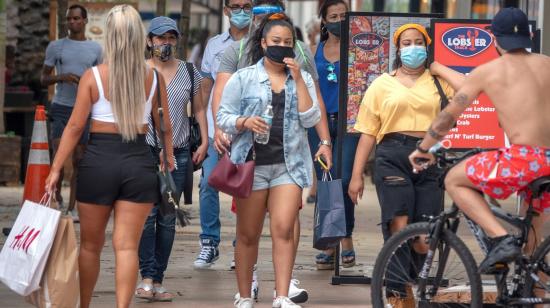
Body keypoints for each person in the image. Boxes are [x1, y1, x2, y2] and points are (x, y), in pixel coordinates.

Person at [44, 5, 174, 308]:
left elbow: (75, 128)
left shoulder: (93, 77)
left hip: (99, 162)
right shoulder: (153, 77)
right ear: (139, 36)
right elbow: (165, 127)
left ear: (111, 38)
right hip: (139, 162)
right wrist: (167, 159)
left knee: (90, 246)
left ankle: (85, 305)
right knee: (127, 247)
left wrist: (55, 170)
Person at [410, 7, 550, 274]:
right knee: (533, 243)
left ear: (495, 39)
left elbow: (448, 117)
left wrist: (423, 148)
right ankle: (535, 296)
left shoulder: (489, 71)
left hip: (524, 160)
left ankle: (500, 238)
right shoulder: (548, 63)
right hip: (549, 161)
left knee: (453, 179)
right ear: (529, 35)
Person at [212, 2, 330, 303]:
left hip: (288, 165)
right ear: (263, 42)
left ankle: (281, 296)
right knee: (248, 234)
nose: (281, 47)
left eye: (287, 43)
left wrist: (299, 77)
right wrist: (244, 121)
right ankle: (244, 296)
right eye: (275, 41)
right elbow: (223, 117)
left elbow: (310, 118)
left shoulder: (298, 77)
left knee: (283, 229)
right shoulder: (244, 77)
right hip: (251, 165)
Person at [348, 23, 457, 306]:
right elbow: (368, 133)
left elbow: (470, 89)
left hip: (429, 157)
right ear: (398, 49)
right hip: (392, 155)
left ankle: (413, 285)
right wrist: (356, 175)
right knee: (399, 225)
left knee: (424, 235)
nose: (412, 48)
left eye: (418, 42)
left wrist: (439, 67)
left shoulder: (437, 82)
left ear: (427, 45)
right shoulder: (382, 84)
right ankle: (397, 296)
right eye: (406, 43)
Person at [136, 16, 208, 302]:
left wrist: (205, 140)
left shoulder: (190, 72)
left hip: (178, 154)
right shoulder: (140, 71)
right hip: (145, 153)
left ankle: (158, 278)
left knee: (167, 219)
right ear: (149, 41)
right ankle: (146, 277)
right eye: (160, 37)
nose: (165, 43)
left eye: (171, 37)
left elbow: (199, 109)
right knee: (146, 218)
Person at [195, 0, 253, 270]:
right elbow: (206, 91)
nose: (241, 11)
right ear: (227, 10)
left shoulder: (259, 42)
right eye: (236, 5)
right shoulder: (214, 45)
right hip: (216, 127)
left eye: (247, 5)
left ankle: (239, 247)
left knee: (245, 190)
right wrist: (204, 132)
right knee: (208, 184)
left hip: (249, 130)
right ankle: (209, 242)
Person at [41, 4, 102, 220]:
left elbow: (100, 79)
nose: (72, 22)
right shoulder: (56, 47)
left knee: (79, 159)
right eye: (69, 19)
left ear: (85, 21)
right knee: (60, 154)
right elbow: (43, 79)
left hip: (84, 108)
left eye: (76, 18)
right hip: (61, 107)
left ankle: (72, 207)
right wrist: (62, 77)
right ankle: (56, 199)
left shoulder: (95, 49)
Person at [311, 0, 359, 270]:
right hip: (318, 125)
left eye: (344, 15)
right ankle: (329, 243)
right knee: (326, 181)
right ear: (324, 20)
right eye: (334, 16)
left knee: (343, 182)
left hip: (350, 124)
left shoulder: (358, 48)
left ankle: (346, 236)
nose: (339, 19)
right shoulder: (313, 50)